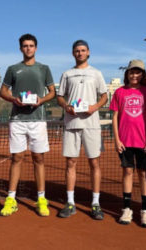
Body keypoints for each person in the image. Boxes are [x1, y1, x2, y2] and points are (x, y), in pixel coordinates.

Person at [0, 34, 55, 217]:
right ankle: (11, 199)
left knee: (38, 158)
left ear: (36, 48)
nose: (28, 48)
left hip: (38, 120)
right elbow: (3, 91)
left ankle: (41, 199)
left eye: (31, 45)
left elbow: (52, 92)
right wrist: (14, 99)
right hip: (17, 120)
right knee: (17, 158)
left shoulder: (44, 69)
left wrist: (41, 100)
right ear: (21, 48)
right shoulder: (13, 69)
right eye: (25, 46)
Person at [57, 40, 108, 219]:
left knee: (94, 163)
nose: (80, 53)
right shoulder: (67, 74)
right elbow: (59, 96)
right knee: (70, 163)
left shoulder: (96, 73)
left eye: (83, 50)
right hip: (71, 123)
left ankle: (95, 203)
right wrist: (65, 107)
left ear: (88, 52)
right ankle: (70, 203)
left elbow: (104, 96)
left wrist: (94, 107)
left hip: (92, 124)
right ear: (73, 53)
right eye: (77, 51)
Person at [109, 60, 146, 227]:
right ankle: (127, 209)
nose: (134, 75)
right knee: (127, 172)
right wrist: (117, 139)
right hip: (125, 141)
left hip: (143, 142)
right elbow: (114, 117)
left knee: (143, 173)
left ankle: (145, 211)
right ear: (127, 74)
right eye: (131, 72)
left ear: (142, 74)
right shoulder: (120, 92)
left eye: (138, 72)